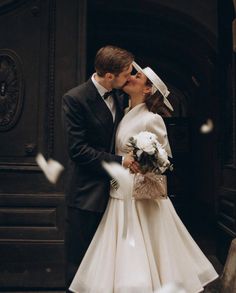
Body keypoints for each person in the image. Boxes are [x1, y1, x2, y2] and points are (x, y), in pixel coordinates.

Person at [69, 61, 219, 293]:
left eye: (137, 77)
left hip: (141, 197)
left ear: (148, 89)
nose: (131, 77)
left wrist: (145, 155)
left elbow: (164, 160)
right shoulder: (124, 112)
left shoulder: (152, 118)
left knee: (144, 247)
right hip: (119, 191)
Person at [62, 45, 140, 291]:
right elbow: (78, 150)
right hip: (87, 193)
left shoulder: (119, 94)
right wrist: (120, 162)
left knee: (110, 262)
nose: (130, 77)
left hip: (118, 196)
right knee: (81, 262)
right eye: (126, 73)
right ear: (109, 76)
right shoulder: (75, 99)